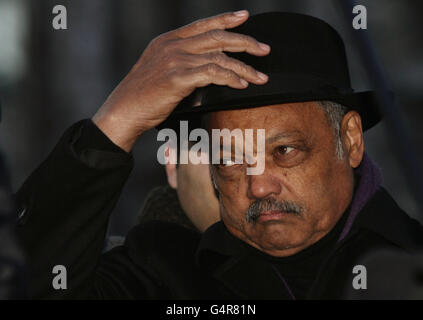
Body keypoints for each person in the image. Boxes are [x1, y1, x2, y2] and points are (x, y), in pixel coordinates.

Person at [16, 11, 423, 299]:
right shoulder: (162, 272)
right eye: (230, 159)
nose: (259, 184)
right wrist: (114, 123)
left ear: (350, 140)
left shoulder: (410, 264)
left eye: (284, 151)